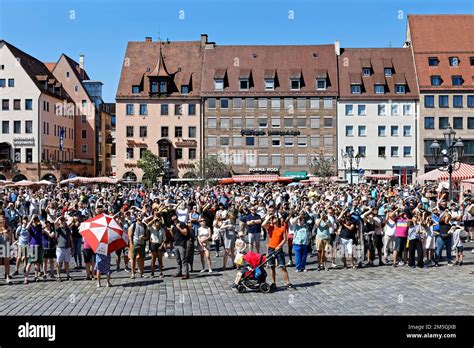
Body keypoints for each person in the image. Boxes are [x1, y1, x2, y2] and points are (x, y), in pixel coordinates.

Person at [262, 213, 294, 291]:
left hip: (278, 249)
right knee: (272, 267)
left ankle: (287, 282)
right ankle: (273, 283)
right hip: (271, 249)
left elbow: (285, 238)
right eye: (273, 218)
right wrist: (269, 216)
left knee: (283, 266)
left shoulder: (282, 228)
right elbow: (263, 224)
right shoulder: (270, 227)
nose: (274, 219)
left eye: (275, 218)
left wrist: (279, 246)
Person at [128, 214, 149, 279]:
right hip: (135, 244)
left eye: (141, 216)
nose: (140, 217)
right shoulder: (133, 225)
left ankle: (142, 273)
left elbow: (147, 236)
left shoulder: (145, 225)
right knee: (133, 259)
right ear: (137, 218)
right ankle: (132, 273)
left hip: (142, 244)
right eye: (139, 216)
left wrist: (144, 238)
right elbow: (130, 236)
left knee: (142, 259)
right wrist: (131, 245)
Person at [25, 215, 43, 284]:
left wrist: (39, 219)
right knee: (29, 263)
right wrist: (31, 219)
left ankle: (36, 276)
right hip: (32, 246)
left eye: (36, 220)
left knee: (37, 263)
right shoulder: (31, 227)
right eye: (34, 220)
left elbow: (44, 225)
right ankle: (26, 278)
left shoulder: (39, 226)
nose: (35, 221)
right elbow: (26, 227)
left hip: (39, 246)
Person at [54, 216, 74, 281]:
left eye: (63, 220)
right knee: (59, 263)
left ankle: (68, 275)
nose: (62, 222)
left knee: (67, 262)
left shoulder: (68, 229)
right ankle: (58, 275)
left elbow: (71, 239)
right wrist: (59, 218)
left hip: (67, 247)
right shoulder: (58, 229)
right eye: (61, 221)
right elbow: (55, 223)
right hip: (60, 248)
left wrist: (72, 247)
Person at [170, 215, 189, 279]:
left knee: (183, 259)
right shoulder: (173, 226)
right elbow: (173, 236)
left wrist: (179, 228)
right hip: (176, 244)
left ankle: (186, 273)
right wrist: (171, 230)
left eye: (175, 217)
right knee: (178, 260)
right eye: (172, 218)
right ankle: (179, 272)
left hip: (182, 244)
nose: (174, 219)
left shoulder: (182, 224)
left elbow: (185, 232)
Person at [0, 204, 12, 284]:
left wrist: (7, 233)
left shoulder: (8, 228)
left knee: (7, 262)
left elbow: (10, 238)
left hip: (6, 246)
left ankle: (7, 276)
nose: (2, 220)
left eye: (3, 219)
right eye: (1, 219)